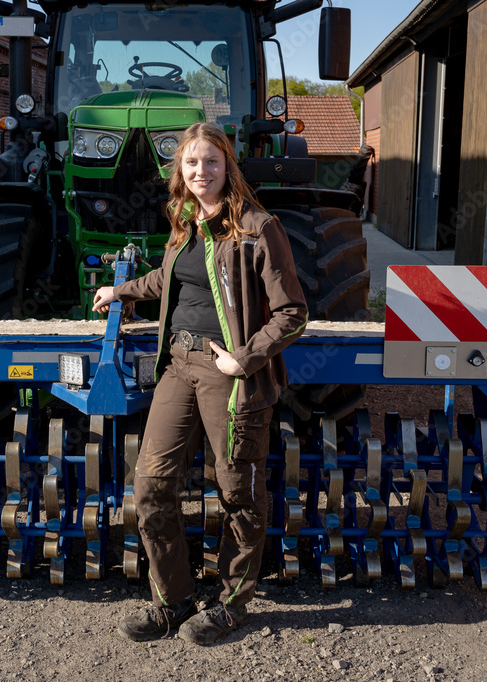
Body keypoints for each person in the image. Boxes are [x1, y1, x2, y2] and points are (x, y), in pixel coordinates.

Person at [92, 122, 307, 646]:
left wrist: (244, 359)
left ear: (228, 165)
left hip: (227, 374)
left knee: (237, 492)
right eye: (191, 163)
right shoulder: (186, 221)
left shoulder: (258, 227)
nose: (200, 171)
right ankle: (173, 600)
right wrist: (121, 290)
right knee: (151, 485)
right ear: (180, 171)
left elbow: (293, 313)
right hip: (177, 365)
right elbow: (170, 278)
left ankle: (233, 603)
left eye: (211, 162)